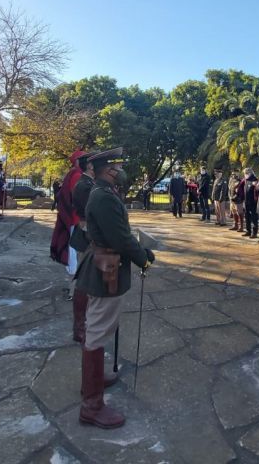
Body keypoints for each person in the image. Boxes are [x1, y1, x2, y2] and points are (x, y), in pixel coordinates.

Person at [75, 147, 154, 429]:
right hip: (105, 266)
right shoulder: (103, 197)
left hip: (106, 263)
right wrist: (143, 258)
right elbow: (120, 238)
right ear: (107, 169)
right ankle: (92, 405)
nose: (120, 169)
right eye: (117, 166)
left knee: (100, 327)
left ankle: (93, 382)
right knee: (97, 330)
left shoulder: (105, 193)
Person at [68, 151, 96, 344]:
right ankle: (80, 327)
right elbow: (89, 213)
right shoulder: (84, 185)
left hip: (87, 233)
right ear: (90, 166)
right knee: (84, 282)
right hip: (86, 235)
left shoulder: (87, 183)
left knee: (87, 281)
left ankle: (85, 324)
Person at [50, 150, 88, 267]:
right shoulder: (76, 175)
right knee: (74, 248)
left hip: (74, 217)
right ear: (77, 161)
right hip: (75, 217)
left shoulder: (76, 173)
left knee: (74, 247)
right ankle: (74, 276)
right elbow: (77, 197)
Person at [242, 167, 259, 238]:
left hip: (253, 202)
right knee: (247, 217)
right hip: (246, 201)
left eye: (246, 173)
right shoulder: (246, 180)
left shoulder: (254, 180)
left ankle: (254, 232)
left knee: (254, 217)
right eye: (245, 173)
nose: (245, 174)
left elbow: (257, 191)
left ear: (250, 173)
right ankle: (248, 231)